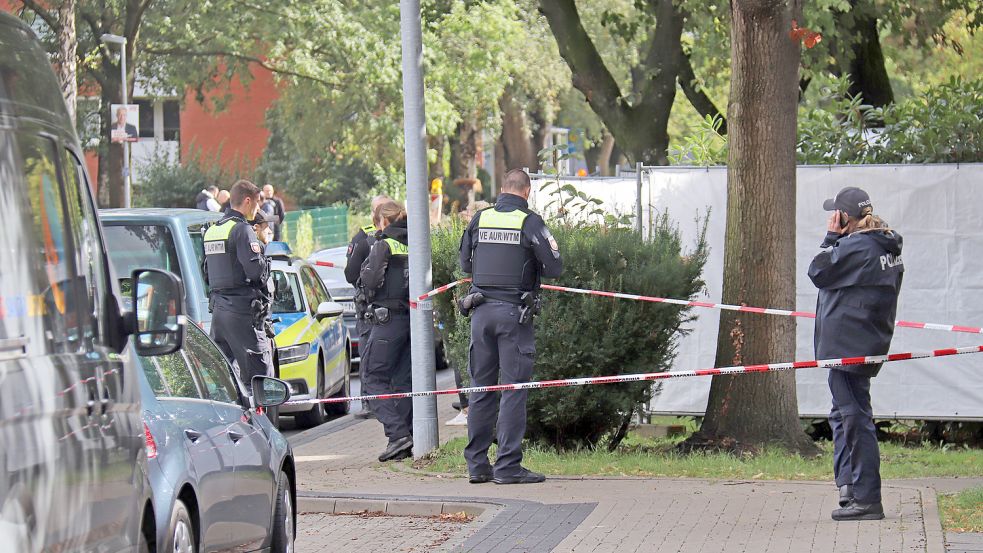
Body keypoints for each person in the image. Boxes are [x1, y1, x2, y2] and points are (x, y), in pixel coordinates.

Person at [459, 168, 563, 484]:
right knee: (513, 390)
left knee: (481, 389)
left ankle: (477, 465)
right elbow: (554, 266)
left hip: (480, 313)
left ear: (503, 188)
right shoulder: (530, 222)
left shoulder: (480, 219)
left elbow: (465, 264)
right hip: (513, 317)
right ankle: (507, 466)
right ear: (527, 192)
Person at [808, 186, 904, 521]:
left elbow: (818, 271)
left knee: (854, 418)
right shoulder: (884, 244)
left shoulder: (855, 246)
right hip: (866, 340)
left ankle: (867, 499)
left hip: (848, 346)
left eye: (834, 213)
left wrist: (831, 238)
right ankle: (848, 487)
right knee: (842, 414)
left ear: (843, 216)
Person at [203, 180, 275, 397]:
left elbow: (206, 273)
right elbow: (256, 274)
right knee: (260, 378)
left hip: (218, 312)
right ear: (247, 201)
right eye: (257, 203)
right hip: (241, 312)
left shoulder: (213, 230)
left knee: (223, 379)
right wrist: (264, 254)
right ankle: (260, 419)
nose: (258, 208)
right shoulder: (242, 230)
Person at [359, 199, 414, 462]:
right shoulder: (413, 241)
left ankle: (398, 434)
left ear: (383, 221)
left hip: (387, 320)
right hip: (409, 319)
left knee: (371, 378)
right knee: (403, 382)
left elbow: (370, 280)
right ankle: (404, 438)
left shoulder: (384, 244)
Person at [345, 195, 390, 419]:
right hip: (391, 309)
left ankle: (369, 402)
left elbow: (350, 274)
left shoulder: (363, 238)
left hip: (368, 309)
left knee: (368, 354)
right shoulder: (402, 236)